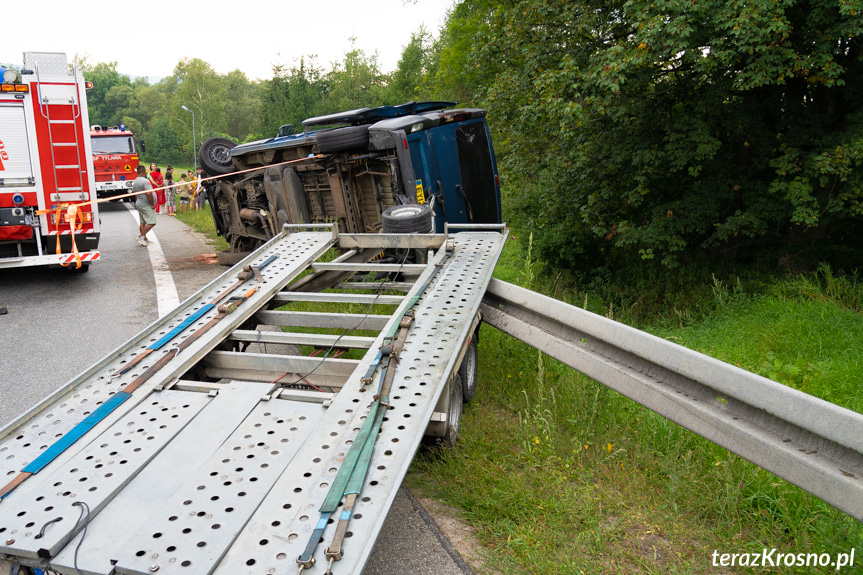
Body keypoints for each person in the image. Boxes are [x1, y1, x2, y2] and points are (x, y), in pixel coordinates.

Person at [133, 165, 157, 245]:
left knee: (142, 222)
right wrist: (152, 204)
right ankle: (141, 236)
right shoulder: (145, 181)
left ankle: (145, 239)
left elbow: (135, 194)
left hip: (139, 203)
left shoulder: (135, 181)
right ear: (144, 172)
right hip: (146, 205)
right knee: (152, 222)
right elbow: (148, 193)